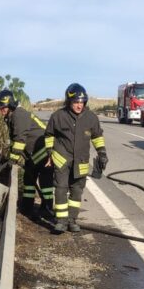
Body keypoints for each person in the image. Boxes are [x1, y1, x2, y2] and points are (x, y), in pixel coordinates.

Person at [44, 83, 107, 233]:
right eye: (76, 102)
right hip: (62, 158)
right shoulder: (58, 116)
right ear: (69, 101)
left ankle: (72, 220)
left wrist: (102, 153)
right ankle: (61, 221)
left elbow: (97, 137)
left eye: (81, 102)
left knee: (77, 190)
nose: (79, 105)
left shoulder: (91, 118)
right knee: (60, 188)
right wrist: (49, 153)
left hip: (81, 160)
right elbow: (49, 135)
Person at [0, 88, 54, 218]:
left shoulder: (18, 115)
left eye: (3, 108)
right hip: (33, 153)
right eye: (0, 108)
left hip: (43, 151)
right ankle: (27, 207)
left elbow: (20, 140)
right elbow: (15, 140)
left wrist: (13, 159)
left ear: (10, 105)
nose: (1, 111)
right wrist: (12, 156)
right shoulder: (12, 116)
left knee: (45, 183)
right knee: (29, 181)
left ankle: (47, 209)